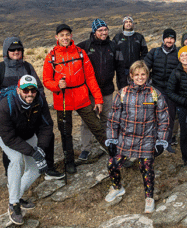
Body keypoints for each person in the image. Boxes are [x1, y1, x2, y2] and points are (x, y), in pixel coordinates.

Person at [0, 37, 64, 180]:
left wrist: (42, 109)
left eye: (19, 49)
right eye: (12, 49)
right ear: (6, 51)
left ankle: (48, 168)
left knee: (47, 136)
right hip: (9, 116)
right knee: (10, 144)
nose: (16, 52)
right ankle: (10, 174)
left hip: (31, 113)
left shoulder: (28, 67)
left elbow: (39, 89)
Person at [104, 60, 169, 213]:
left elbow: (163, 119)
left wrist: (161, 141)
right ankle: (117, 187)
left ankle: (149, 197)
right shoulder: (122, 93)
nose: (140, 77)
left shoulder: (155, 94)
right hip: (126, 139)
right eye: (137, 74)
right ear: (131, 75)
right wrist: (112, 139)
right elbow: (113, 118)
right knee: (112, 164)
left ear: (147, 75)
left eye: (143, 74)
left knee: (147, 169)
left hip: (147, 140)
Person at [43, 24, 107, 174]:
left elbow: (90, 77)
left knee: (96, 126)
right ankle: (69, 161)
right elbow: (46, 80)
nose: (65, 37)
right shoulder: (51, 56)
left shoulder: (80, 53)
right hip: (62, 99)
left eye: (67, 34)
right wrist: (57, 85)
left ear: (71, 36)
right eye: (62, 35)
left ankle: (114, 152)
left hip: (82, 97)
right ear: (56, 37)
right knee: (65, 132)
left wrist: (98, 99)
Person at [0, 75, 54, 225]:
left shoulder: (39, 100)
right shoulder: (5, 105)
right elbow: (9, 138)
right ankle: (14, 204)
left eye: (33, 90)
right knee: (16, 160)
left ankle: (17, 194)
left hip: (27, 133)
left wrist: (40, 149)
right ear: (19, 90)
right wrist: (33, 152)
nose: (30, 94)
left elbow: (47, 125)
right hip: (4, 135)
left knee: (36, 167)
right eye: (26, 90)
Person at [76, 18, 126, 161]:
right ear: (94, 31)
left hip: (107, 91)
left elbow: (121, 69)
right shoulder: (85, 46)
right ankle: (86, 149)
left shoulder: (114, 46)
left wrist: (122, 89)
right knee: (87, 121)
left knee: (107, 120)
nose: (104, 32)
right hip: (89, 92)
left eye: (105, 29)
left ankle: (108, 145)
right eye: (100, 30)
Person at [144, 28, 179, 152]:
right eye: (167, 38)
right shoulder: (154, 52)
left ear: (174, 40)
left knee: (169, 117)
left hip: (172, 90)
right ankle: (153, 141)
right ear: (163, 39)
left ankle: (167, 142)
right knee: (153, 116)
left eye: (172, 38)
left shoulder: (179, 53)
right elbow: (145, 68)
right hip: (156, 89)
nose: (169, 40)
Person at [112, 15, 148, 81]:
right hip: (121, 69)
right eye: (126, 22)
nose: (128, 23)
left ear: (133, 24)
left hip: (136, 69)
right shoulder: (117, 37)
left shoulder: (139, 37)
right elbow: (113, 53)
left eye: (130, 22)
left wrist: (141, 63)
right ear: (123, 24)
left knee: (136, 88)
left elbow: (144, 52)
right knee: (123, 89)